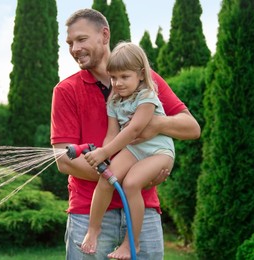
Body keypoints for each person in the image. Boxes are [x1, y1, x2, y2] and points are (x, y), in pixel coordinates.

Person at [50, 8, 200, 260]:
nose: (74, 48)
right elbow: (64, 161)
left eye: (81, 39)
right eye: (70, 43)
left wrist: (156, 125)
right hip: (89, 213)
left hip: (144, 211)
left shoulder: (147, 82)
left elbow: (192, 128)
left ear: (104, 35)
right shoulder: (66, 91)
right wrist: (118, 177)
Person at [81, 41, 175, 259]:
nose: (118, 83)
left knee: (131, 183)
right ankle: (93, 230)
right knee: (107, 177)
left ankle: (131, 243)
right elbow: (113, 134)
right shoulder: (114, 100)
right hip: (134, 150)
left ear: (141, 74)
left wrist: (104, 153)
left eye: (125, 77)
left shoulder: (147, 97)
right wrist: (103, 156)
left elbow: (133, 130)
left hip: (159, 152)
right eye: (113, 77)